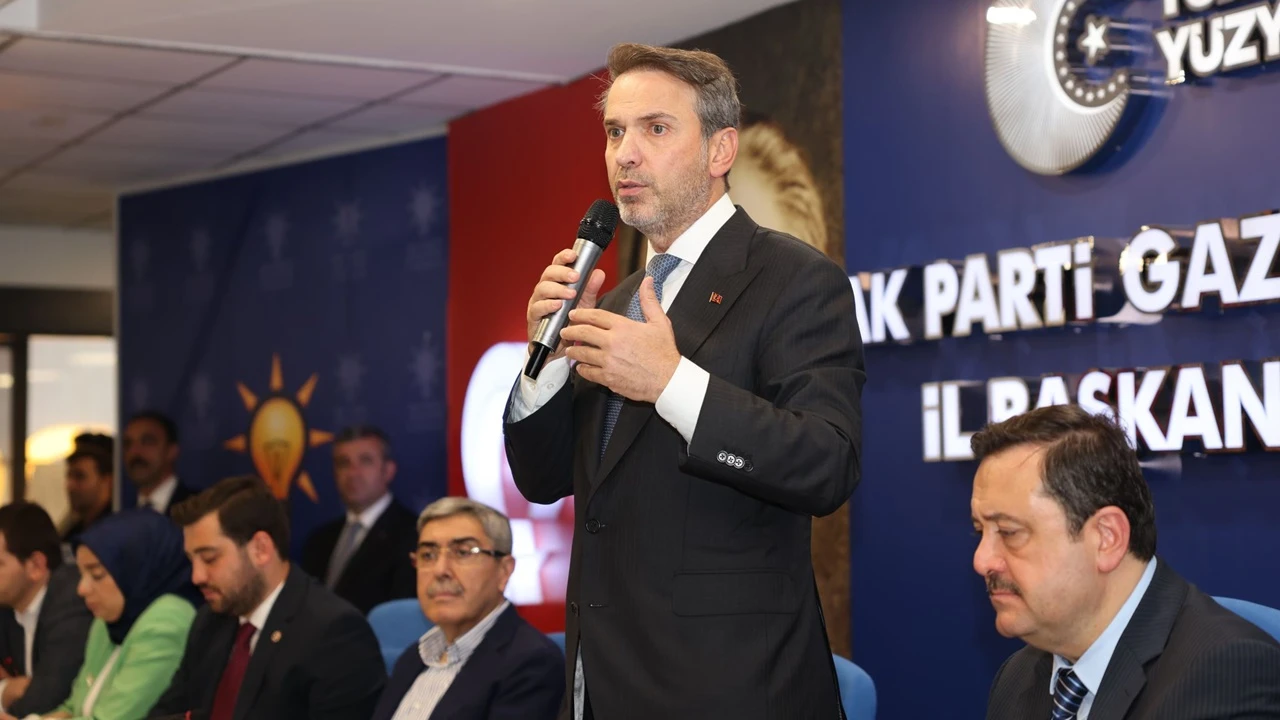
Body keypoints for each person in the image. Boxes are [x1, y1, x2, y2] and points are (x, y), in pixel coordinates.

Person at [504, 43, 865, 719]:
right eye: (615, 132)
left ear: (720, 149)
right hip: (601, 685)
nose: (625, 154)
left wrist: (672, 383)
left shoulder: (796, 280)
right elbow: (545, 479)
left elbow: (827, 464)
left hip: (728, 690)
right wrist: (545, 362)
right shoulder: (613, 303)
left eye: (656, 128)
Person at [973, 405, 1280, 719]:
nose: (981, 561)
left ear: (1107, 538)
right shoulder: (1017, 678)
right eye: (980, 531)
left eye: (1009, 532)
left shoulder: (1227, 677)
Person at [150, 476, 385, 720]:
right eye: (191, 560)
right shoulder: (209, 623)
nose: (196, 576)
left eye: (210, 559)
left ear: (261, 549)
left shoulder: (335, 634)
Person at [371, 498, 563, 720]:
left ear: (504, 570)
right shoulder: (413, 658)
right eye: (428, 555)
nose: (440, 570)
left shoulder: (532, 662)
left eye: (463, 552)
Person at [43, 509, 197, 720]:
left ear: (135, 568)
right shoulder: (108, 620)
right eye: (81, 574)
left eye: (97, 575)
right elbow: (73, 707)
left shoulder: (167, 620)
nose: (81, 589)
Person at [300, 425, 417, 615]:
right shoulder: (319, 540)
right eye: (343, 463)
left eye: (365, 461)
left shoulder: (413, 535)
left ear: (388, 470)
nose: (353, 473)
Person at [0, 503, 92, 718]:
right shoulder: (8, 603)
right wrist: (5, 690)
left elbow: (44, 701)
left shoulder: (72, 603)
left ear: (36, 566)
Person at [123, 412, 194, 515]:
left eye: (147, 442)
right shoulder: (122, 513)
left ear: (171, 451)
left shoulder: (199, 508)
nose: (135, 451)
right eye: (127, 444)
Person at [61, 434, 115, 542]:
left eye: (80, 476)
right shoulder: (73, 532)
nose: (70, 485)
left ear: (107, 481)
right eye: (69, 476)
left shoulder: (115, 532)